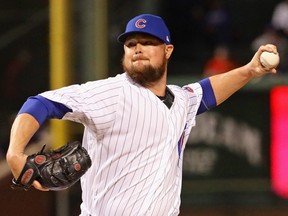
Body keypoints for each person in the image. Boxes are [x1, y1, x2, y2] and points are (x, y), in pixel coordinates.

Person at [6, 14, 278, 216]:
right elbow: (41, 103)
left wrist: (250, 71)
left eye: (148, 42)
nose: (137, 48)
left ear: (167, 50)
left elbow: (207, 91)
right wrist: (15, 152)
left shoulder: (181, 100)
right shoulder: (111, 93)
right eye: (131, 43)